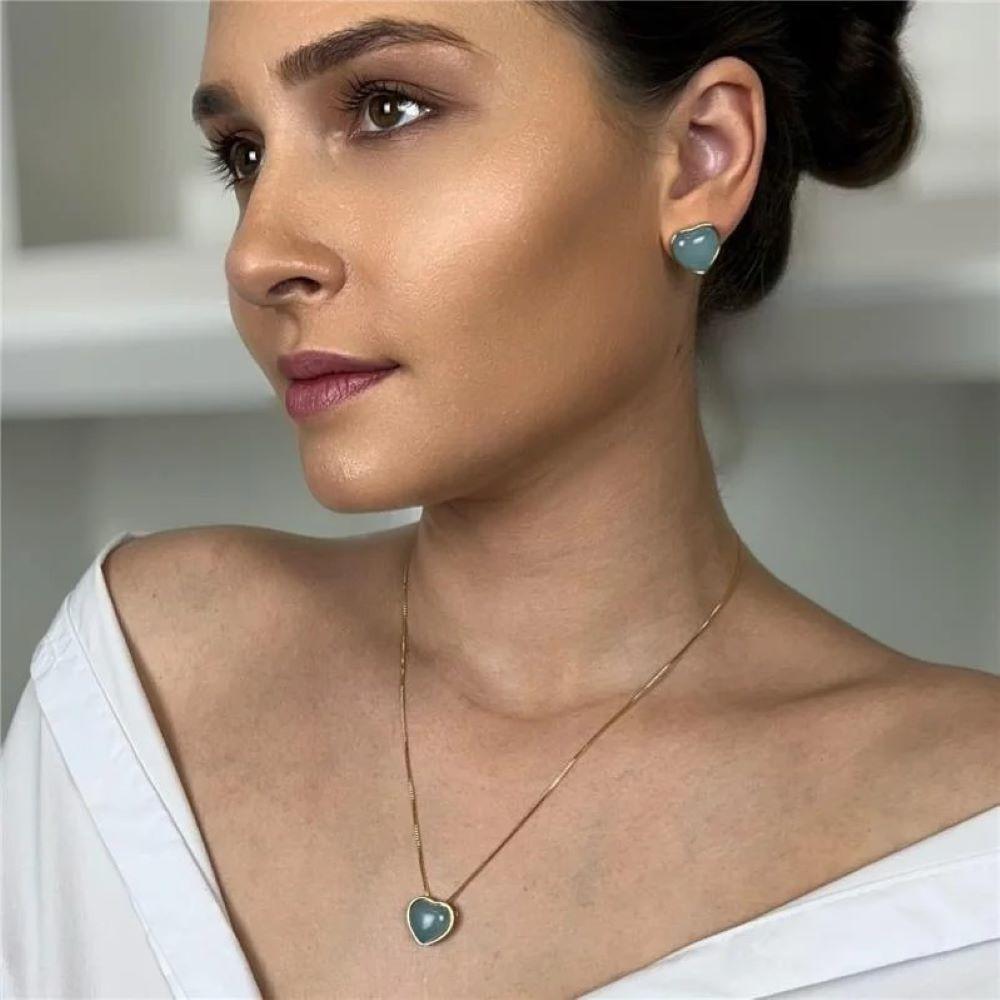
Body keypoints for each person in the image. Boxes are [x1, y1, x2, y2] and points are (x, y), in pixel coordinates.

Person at [3, 2, 998, 997]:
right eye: (244, 155)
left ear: (701, 157)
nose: (257, 256)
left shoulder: (965, 828)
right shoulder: (137, 685)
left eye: (387, 109)